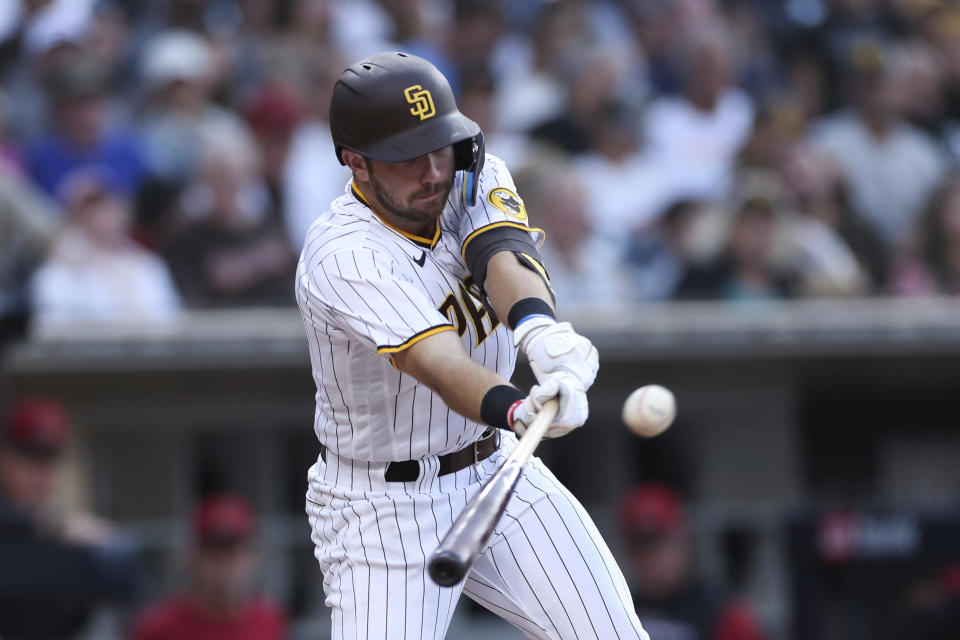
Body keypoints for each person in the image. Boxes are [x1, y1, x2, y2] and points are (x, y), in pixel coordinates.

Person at [296, 52, 648, 639]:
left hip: (494, 467)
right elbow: (435, 361)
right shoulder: (344, 255)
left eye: (440, 145)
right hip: (384, 506)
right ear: (355, 162)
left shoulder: (467, 171)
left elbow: (504, 255)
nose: (434, 170)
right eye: (408, 158)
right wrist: (516, 406)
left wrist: (541, 332)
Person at [0, 396, 140, 639]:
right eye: (32, 456)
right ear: (5, 458)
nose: (43, 473)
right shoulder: (56, 529)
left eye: (51, 458)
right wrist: (47, 524)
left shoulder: (74, 541)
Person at [619, 484, 766, 640]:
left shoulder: (724, 613)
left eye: (658, 545)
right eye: (639, 546)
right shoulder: (624, 611)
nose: (649, 558)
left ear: (683, 540)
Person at [130, 494, 287, 640]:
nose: (223, 565)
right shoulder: (158, 627)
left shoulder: (270, 622)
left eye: (231, 553)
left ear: (252, 557)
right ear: (193, 556)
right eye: (213, 552)